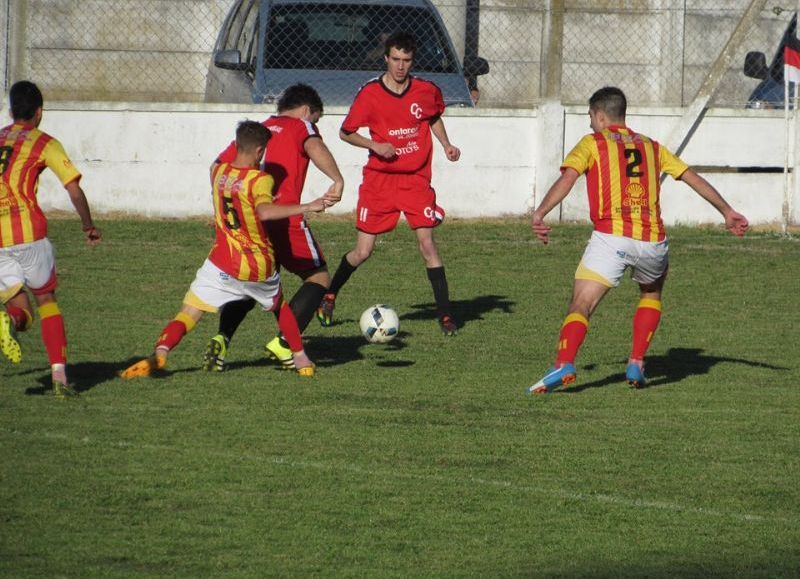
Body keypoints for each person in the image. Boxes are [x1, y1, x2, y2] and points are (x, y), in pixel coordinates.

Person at [526, 86, 749, 394]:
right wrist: (727, 211)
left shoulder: (593, 143)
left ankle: (565, 363)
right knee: (651, 293)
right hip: (653, 241)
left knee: (582, 303)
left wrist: (540, 213)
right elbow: (691, 177)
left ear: (601, 116)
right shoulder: (652, 146)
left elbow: (568, 178)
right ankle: (636, 362)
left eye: (591, 117)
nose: (590, 123)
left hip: (612, 237)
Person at [120, 121, 328, 380]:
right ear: (260, 151)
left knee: (188, 313)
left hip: (220, 263)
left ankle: (161, 353)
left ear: (237, 145)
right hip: (256, 264)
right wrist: (307, 206)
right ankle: (301, 360)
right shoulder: (261, 179)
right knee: (280, 308)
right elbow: (263, 211)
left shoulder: (218, 173)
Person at [317, 31, 461, 336]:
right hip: (379, 183)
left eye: (406, 60)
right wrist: (374, 145)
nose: (400, 66)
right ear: (386, 58)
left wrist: (446, 144)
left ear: (413, 60)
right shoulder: (370, 94)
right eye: (395, 59)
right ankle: (329, 295)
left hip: (416, 181)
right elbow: (346, 132)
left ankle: (446, 316)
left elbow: (433, 117)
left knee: (427, 245)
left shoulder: (425, 90)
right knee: (363, 252)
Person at [202, 84, 344, 372]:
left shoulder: (259, 131)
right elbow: (315, 146)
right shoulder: (301, 126)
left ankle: (222, 338)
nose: (313, 126)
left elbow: (216, 167)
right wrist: (337, 179)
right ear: (306, 111)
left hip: (254, 224)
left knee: (252, 284)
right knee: (319, 278)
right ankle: (283, 343)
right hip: (285, 218)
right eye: (315, 120)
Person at [0, 80, 102, 398]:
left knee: (21, 311)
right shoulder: (44, 142)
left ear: (11, 109)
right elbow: (72, 188)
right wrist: (88, 225)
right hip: (29, 233)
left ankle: (8, 320)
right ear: (40, 112)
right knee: (46, 303)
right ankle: (59, 377)